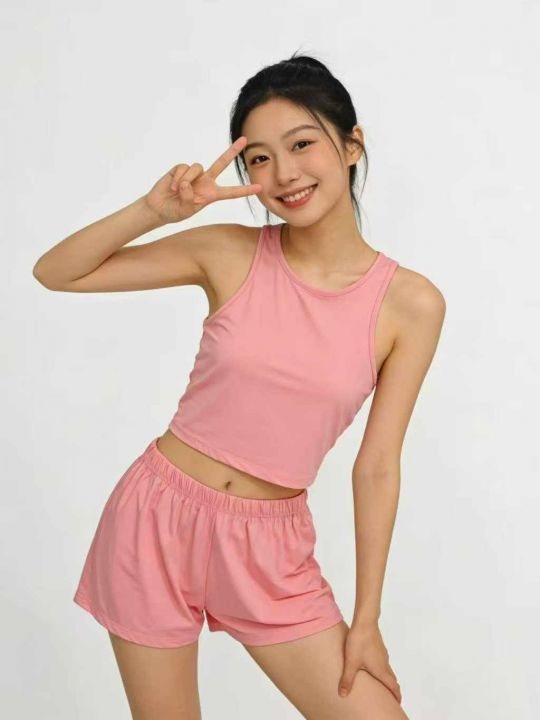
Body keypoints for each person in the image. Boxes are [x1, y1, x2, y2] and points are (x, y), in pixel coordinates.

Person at [33, 52, 445, 720]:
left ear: (352, 146)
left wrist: (366, 620)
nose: (283, 174)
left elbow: (376, 466)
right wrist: (154, 210)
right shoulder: (228, 250)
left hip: (271, 552)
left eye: (302, 144)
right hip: (155, 519)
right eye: (259, 158)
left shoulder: (411, 304)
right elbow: (58, 272)